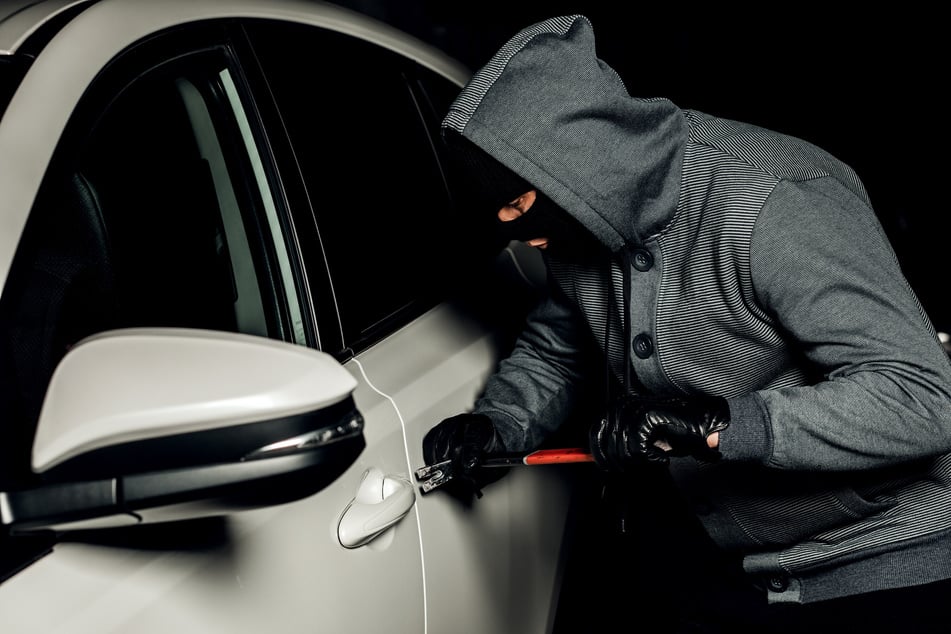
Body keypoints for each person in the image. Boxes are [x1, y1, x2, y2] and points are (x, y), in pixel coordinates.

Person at [420, 13, 951, 634]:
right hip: (729, 564)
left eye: (518, 202)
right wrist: (500, 422)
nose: (515, 230)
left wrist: (719, 425)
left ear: (587, 163)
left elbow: (925, 396)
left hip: (883, 568)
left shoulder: (780, 203)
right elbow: (560, 347)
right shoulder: (580, 223)